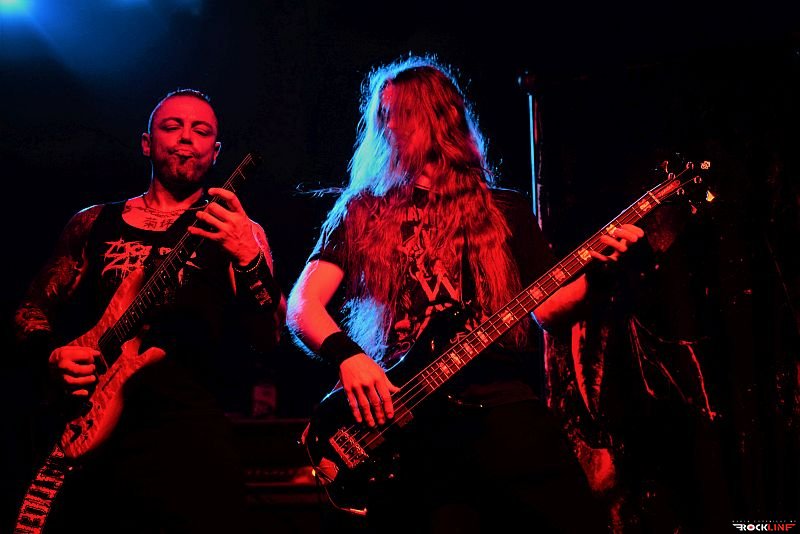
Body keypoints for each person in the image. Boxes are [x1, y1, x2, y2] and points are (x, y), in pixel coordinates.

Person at [287, 56, 643, 533]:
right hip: (409, 417)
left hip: (503, 408)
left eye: (398, 113)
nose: (386, 126)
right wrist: (348, 357)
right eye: (381, 115)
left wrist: (598, 277)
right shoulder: (362, 212)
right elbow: (303, 305)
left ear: (439, 118)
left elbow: (548, 312)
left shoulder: (505, 210)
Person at [13, 88, 286, 533]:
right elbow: (30, 310)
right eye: (172, 126)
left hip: (188, 439)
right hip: (87, 430)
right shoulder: (93, 222)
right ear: (146, 143)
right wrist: (52, 355)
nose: (186, 138)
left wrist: (247, 256)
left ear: (216, 151)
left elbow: (269, 335)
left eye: (201, 131)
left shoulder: (239, 230)